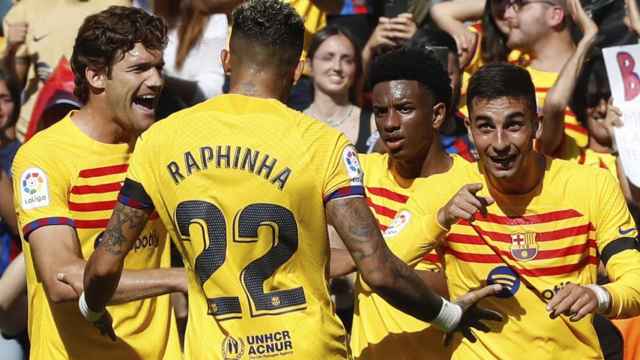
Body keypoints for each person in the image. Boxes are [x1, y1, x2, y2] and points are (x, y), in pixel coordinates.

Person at [80, 1, 504, 359]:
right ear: (299, 70)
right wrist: (449, 314)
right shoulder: (322, 143)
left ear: (226, 60)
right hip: (308, 348)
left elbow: (104, 264)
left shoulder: (160, 140)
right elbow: (378, 270)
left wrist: (94, 310)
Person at [380, 62, 640, 359]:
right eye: (486, 126)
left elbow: (635, 281)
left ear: (537, 125)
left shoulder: (591, 184)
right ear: (469, 128)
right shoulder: (442, 191)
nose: (500, 143)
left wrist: (598, 295)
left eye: (514, 125)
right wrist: (440, 220)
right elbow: (380, 266)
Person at [11, 6, 185, 359]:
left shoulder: (160, 147)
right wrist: (180, 279)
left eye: (158, 68)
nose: (155, 81)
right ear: (96, 76)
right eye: (139, 69)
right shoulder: (42, 158)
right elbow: (61, 277)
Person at [332, 47, 459, 360]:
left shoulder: (470, 187)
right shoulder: (356, 174)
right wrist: (367, 260)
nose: (389, 123)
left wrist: (373, 262)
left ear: (437, 114)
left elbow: (465, 282)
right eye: (380, 111)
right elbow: (312, 256)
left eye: (404, 109)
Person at [2, 0, 129, 141]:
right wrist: (11, 49)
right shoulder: (27, 7)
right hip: (35, 132)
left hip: (98, 132)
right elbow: (14, 83)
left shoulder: (118, 4)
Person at [304, 25, 374, 152]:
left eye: (347, 60)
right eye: (327, 58)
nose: (337, 67)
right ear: (309, 65)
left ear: (356, 68)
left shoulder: (374, 125)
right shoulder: (293, 122)